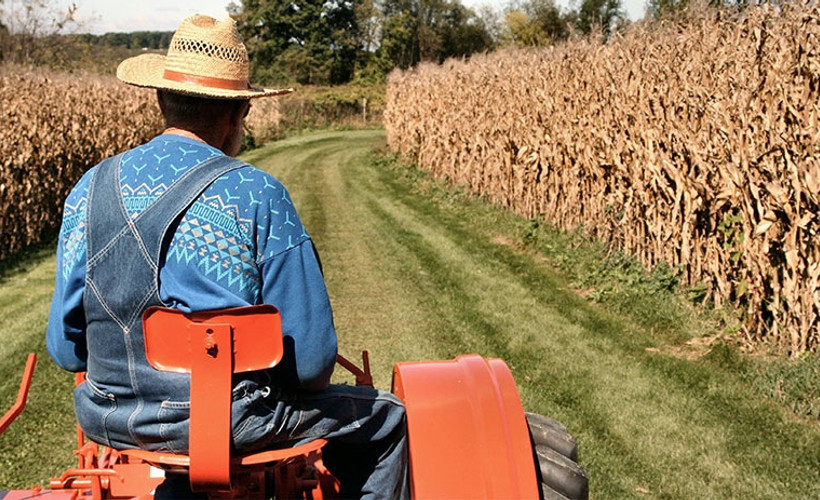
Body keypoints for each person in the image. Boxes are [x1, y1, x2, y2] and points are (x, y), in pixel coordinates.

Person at [45, 14, 408, 499]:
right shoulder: (257, 195)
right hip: (230, 423)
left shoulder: (88, 190)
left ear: (161, 100)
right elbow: (312, 365)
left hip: (109, 416)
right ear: (240, 113)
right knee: (387, 419)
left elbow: (65, 350)